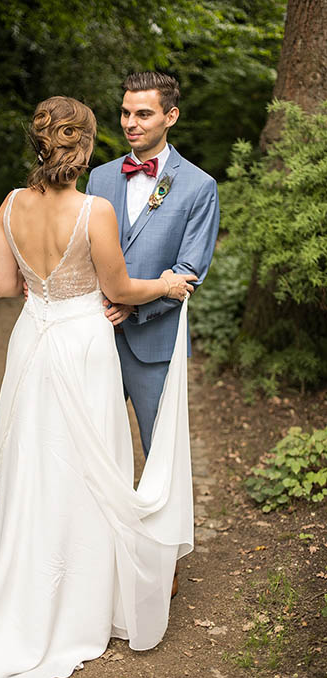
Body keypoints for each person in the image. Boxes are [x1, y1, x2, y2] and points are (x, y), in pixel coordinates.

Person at [0, 97, 198, 678]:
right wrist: (168, 285)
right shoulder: (95, 209)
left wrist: (38, 284)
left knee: (34, 454)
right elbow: (120, 286)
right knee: (87, 461)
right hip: (82, 339)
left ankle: (27, 577)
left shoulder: (8, 205)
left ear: (39, 143)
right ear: (85, 147)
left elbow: (2, 286)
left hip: (33, 335)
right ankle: (84, 589)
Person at [88, 71, 219, 458]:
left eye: (143, 114)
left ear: (171, 116)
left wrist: (133, 303)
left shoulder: (199, 186)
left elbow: (190, 270)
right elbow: (78, 250)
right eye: (126, 113)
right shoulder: (99, 177)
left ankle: (161, 521)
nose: (130, 123)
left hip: (156, 343)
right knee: (91, 449)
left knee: (161, 453)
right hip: (94, 337)